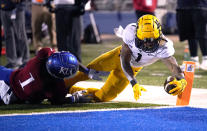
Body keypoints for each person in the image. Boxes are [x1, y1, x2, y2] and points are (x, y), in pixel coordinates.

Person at [64, 14, 187, 103]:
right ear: (137, 33)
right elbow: (124, 59)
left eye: (151, 41)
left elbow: (173, 65)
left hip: (134, 68)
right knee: (85, 72)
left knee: (103, 97)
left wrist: (182, 79)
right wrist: (133, 82)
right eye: (144, 41)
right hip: (116, 57)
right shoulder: (130, 31)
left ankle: (71, 89)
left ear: (159, 36)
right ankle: (57, 86)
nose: (147, 44)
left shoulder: (164, 46)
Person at [0, 48, 108, 105]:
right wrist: (74, 99)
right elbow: (57, 101)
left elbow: (52, 55)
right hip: (9, 94)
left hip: (8, 76)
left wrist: (86, 71)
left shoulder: (40, 60)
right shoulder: (54, 86)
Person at [176, 0, 207, 70]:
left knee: (201, 34)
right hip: (183, 6)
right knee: (190, 34)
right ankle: (194, 59)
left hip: (200, 5)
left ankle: (206, 58)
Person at [0, 0, 30, 69]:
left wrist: (20, 5)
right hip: (3, 8)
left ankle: (26, 60)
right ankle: (12, 61)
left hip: (16, 8)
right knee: (8, 36)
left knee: (20, 35)